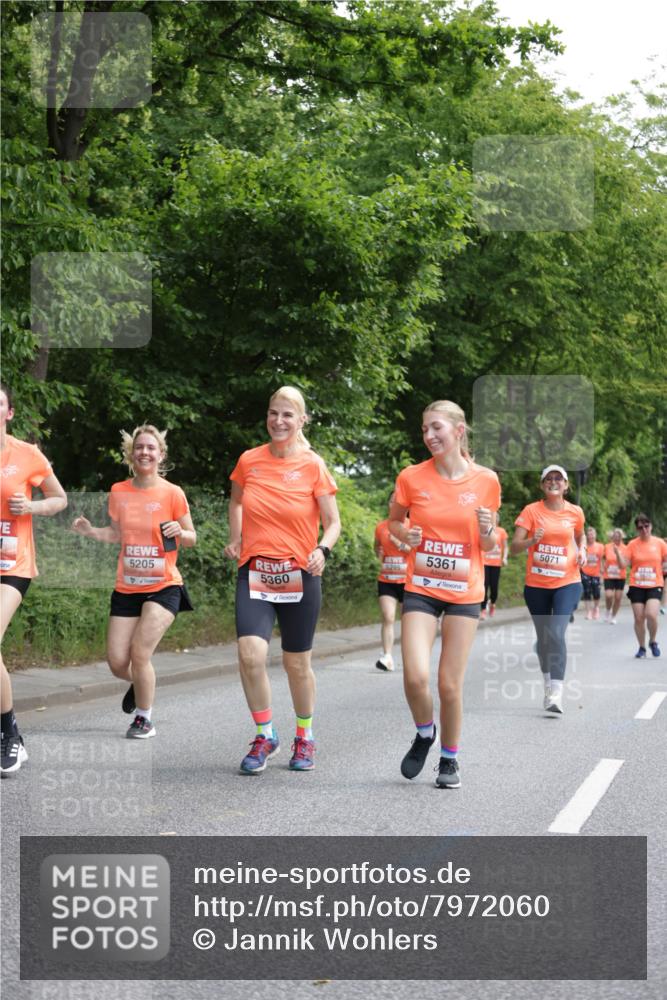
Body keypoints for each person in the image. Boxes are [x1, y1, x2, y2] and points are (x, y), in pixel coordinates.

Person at [224, 387, 341, 774]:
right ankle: (265, 733)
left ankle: (304, 737)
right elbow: (237, 501)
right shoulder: (249, 461)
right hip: (255, 570)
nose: (278, 421)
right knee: (249, 655)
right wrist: (236, 537)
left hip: (300, 574)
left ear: (301, 420)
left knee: (297, 664)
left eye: (287, 415)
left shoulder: (313, 465)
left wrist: (322, 549)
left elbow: (334, 522)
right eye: (273, 413)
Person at [389, 400, 500, 789]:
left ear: (458, 431)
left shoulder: (486, 480)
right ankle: (424, 733)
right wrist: (405, 535)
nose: (429, 436)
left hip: (464, 591)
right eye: (424, 429)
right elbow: (392, 523)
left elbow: (488, 546)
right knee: (416, 676)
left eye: (436, 428)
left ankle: (449, 759)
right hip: (421, 585)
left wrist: (487, 529)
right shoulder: (411, 477)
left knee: (449, 683)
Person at [72, 425, 196, 739]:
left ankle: (144, 718)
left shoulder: (172, 493)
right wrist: (90, 532)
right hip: (127, 587)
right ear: (131, 453)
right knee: (117, 662)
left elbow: (192, 537)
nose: (144, 452)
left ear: (161, 454)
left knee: (140, 653)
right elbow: (116, 534)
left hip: (164, 585)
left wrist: (180, 533)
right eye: (139, 447)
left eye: (151, 448)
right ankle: (141, 683)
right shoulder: (119, 491)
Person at [1, 383, 67, 776]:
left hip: (14, 566)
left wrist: (31, 505)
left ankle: (9, 737)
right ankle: (9, 731)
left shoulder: (27, 455)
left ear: (8, 413)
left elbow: (59, 499)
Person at [511, 465, 586, 715]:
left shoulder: (575, 512)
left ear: (566, 485)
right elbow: (513, 548)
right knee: (544, 640)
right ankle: (547, 683)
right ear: (542, 485)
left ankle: (556, 692)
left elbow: (580, 536)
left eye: (559, 479)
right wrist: (532, 541)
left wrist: (582, 550)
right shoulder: (531, 511)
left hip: (567, 582)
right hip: (537, 585)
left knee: (556, 632)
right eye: (548, 479)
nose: (553, 482)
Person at [619, 514, 667, 658]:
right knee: (639, 618)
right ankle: (642, 647)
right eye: (640, 527)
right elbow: (624, 564)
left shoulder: (660, 543)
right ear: (637, 529)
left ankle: (652, 641)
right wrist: (617, 553)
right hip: (637, 585)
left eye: (646, 526)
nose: (644, 530)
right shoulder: (632, 544)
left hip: (654, 584)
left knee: (651, 614)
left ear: (651, 526)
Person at [374, 493, 410, 671]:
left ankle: (409, 657)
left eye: (399, 502)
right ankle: (387, 656)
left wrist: (398, 543)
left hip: (407, 581)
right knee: (388, 617)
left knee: (408, 622)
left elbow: (416, 552)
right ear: (389, 504)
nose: (395, 504)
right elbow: (377, 548)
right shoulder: (381, 527)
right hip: (386, 579)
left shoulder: (412, 526)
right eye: (392, 501)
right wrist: (379, 553)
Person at [480, 514, 508, 620]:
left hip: (496, 564)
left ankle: (493, 603)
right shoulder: (484, 530)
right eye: (492, 517)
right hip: (485, 562)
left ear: (498, 520)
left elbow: (505, 547)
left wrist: (504, 558)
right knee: (484, 586)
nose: (494, 519)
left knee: (494, 588)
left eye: (496, 517)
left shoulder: (501, 531)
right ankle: (483, 609)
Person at [602, 528, 627, 624]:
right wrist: (602, 566)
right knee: (609, 595)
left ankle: (613, 616)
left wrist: (618, 554)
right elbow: (603, 558)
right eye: (615, 535)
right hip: (609, 575)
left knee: (618, 597)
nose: (616, 537)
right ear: (612, 537)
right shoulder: (607, 547)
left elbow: (625, 562)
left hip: (620, 576)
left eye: (618, 535)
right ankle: (608, 611)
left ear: (621, 537)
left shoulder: (625, 548)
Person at [581, 526, 604, 620]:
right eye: (589, 534)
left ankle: (596, 608)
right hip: (585, 572)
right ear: (587, 536)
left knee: (596, 593)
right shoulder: (584, 546)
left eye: (592, 534)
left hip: (596, 573)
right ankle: (588, 612)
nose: (591, 536)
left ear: (595, 535)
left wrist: (603, 572)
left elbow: (602, 560)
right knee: (586, 592)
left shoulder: (600, 546)